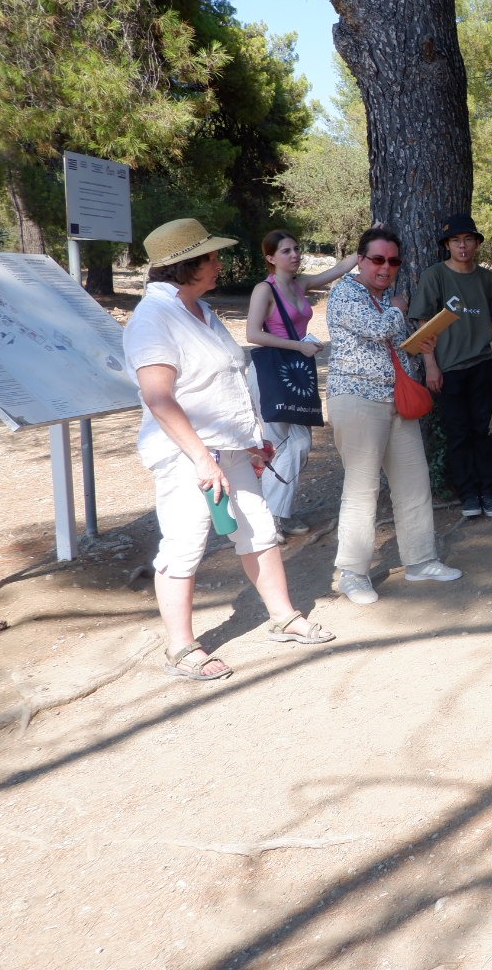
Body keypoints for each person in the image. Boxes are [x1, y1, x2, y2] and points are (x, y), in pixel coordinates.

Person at [123, 218, 336, 680]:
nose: (220, 263)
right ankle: (180, 648)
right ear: (186, 265)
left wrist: (252, 438)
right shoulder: (154, 317)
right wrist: (202, 458)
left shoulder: (200, 309)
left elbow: (226, 382)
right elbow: (159, 397)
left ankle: (283, 617)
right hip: (188, 456)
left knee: (259, 529)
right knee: (184, 543)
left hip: (231, 448)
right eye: (212, 256)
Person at [325, 228, 462, 605]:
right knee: (362, 489)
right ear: (360, 260)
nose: (387, 267)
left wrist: (421, 346)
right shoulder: (345, 292)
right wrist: (399, 309)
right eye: (378, 260)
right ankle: (352, 573)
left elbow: (390, 346)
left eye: (394, 261)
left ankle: (420, 560)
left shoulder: (384, 299)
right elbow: (376, 329)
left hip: (395, 400)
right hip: (357, 398)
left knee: (414, 483)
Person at [243, 230, 355, 534]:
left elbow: (340, 269)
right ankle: (272, 520)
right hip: (270, 373)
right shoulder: (264, 290)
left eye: (296, 249)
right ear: (270, 258)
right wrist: (299, 346)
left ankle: (275, 513)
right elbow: (252, 334)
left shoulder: (300, 284)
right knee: (279, 445)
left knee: (301, 444)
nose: (294, 255)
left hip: (294, 374)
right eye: (286, 251)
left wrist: (373, 239)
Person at [413, 214, 492, 519]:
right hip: (448, 368)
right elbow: (422, 324)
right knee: (458, 432)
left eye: (468, 239)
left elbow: (491, 317)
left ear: (477, 243)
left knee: (481, 430)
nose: (463, 245)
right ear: (447, 245)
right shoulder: (435, 276)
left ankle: (488, 492)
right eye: (456, 240)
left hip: (481, 364)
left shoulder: (485, 279)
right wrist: (431, 365)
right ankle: (468, 495)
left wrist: (473, 335)